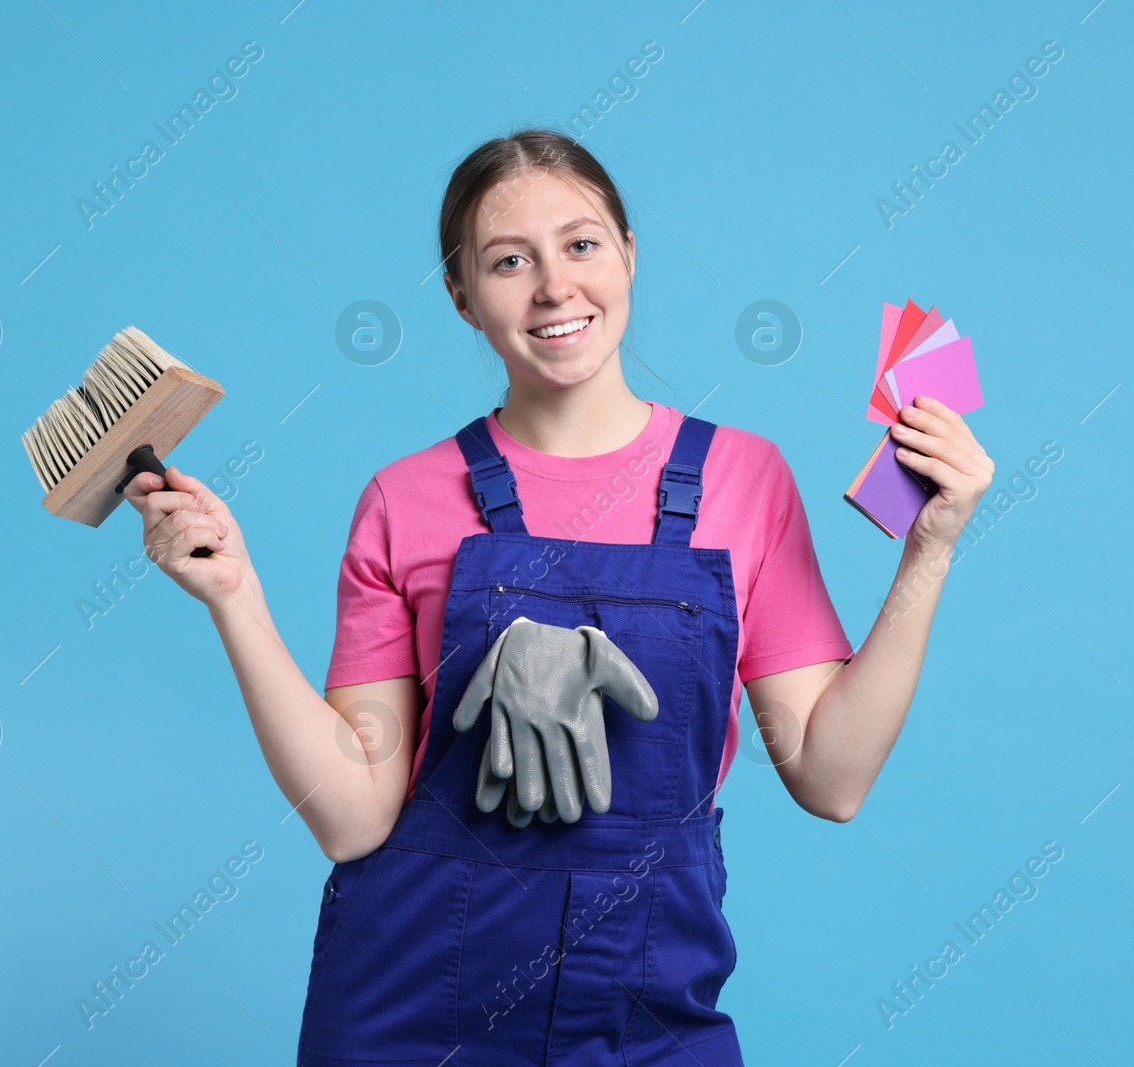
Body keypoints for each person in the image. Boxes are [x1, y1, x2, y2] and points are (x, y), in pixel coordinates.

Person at [123, 128, 993, 1065]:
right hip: (411, 1015)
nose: (553, 286)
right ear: (463, 298)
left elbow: (833, 776)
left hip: (647, 1009)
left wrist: (929, 552)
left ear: (629, 254)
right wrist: (235, 594)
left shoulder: (746, 480)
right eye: (508, 261)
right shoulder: (405, 499)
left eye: (581, 244)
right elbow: (352, 816)